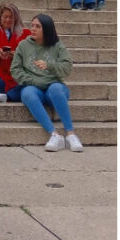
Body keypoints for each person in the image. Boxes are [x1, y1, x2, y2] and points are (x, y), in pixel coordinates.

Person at [11, 14, 82, 152]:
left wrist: (49, 65)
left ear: (47, 29)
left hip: (54, 88)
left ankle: (71, 134)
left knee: (55, 89)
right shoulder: (23, 45)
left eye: (38, 26)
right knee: (27, 93)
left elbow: (67, 68)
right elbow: (16, 69)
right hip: (35, 87)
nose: (33, 29)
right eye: (32, 25)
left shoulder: (57, 45)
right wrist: (33, 81)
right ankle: (54, 135)